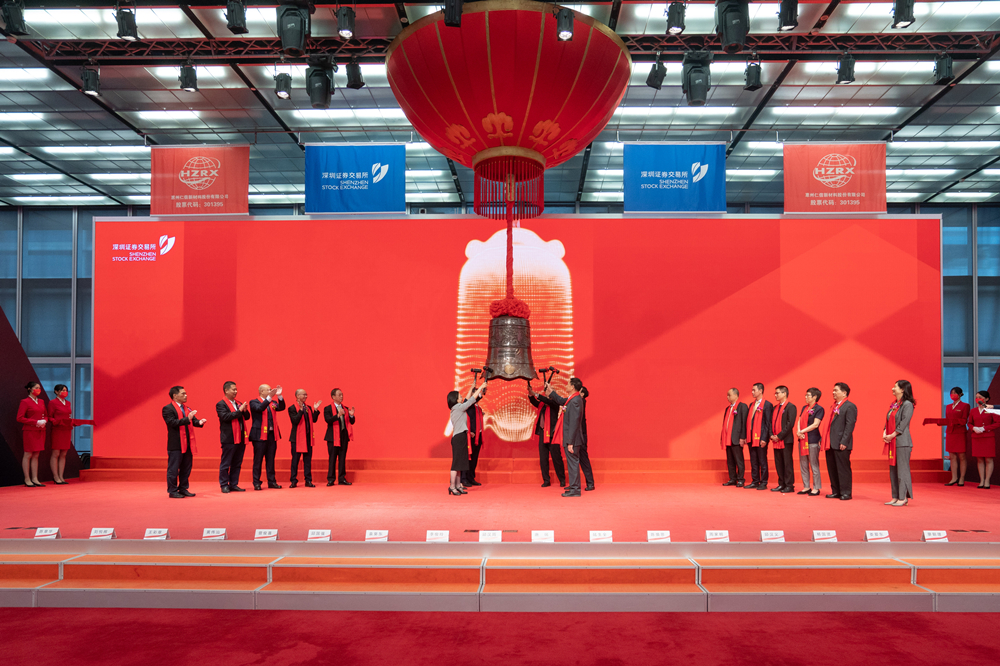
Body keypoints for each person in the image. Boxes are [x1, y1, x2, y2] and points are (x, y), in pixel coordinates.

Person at [549, 378, 592, 497]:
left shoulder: (575, 401)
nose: (566, 386)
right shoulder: (573, 399)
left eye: (568, 384)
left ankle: (575, 489)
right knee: (572, 463)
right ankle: (574, 486)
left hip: (572, 439)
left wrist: (570, 442)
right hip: (571, 438)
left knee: (573, 463)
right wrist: (551, 391)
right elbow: (561, 401)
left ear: (573, 386)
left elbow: (574, 423)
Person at [161, 385, 205, 498]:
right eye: (183, 394)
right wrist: (187, 418)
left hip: (188, 443)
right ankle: (172, 491)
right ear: (175, 395)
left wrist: (199, 422)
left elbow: (193, 421)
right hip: (176, 444)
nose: (186, 395)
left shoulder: (187, 408)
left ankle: (183, 488)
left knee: (186, 467)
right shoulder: (168, 409)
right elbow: (172, 423)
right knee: (173, 469)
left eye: (185, 393)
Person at [447, 383, 487, 495]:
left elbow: (466, 400)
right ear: (455, 400)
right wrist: (480, 387)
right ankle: (452, 486)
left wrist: (471, 388)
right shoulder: (458, 408)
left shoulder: (458, 407)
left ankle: (458, 485)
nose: (462, 398)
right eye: (459, 396)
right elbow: (470, 400)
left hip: (462, 437)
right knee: (456, 464)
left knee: (460, 464)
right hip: (459, 438)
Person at [883, 379, 916, 507]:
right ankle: (895, 496)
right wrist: (884, 433)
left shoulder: (907, 404)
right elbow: (887, 421)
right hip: (892, 441)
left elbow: (903, 423)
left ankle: (903, 497)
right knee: (893, 470)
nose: (893, 388)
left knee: (902, 470)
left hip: (902, 442)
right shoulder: (894, 404)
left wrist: (892, 435)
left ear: (902, 389)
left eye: (895, 387)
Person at [248, 384, 285, 491]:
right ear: (261, 391)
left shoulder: (272, 402)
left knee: (271, 459)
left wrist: (279, 396)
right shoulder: (254, 402)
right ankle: (256, 482)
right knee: (258, 460)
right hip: (259, 435)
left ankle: (272, 481)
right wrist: (269, 398)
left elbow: (281, 407)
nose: (270, 391)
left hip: (271, 435)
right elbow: (260, 408)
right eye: (268, 390)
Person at [216, 381, 250, 493]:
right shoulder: (221, 404)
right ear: (226, 390)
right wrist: (239, 411)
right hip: (229, 438)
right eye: (233, 389)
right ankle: (224, 484)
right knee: (226, 463)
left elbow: (247, 417)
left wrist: (244, 410)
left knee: (237, 463)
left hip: (240, 437)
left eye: (236, 389)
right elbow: (225, 417)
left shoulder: (238, 403)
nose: (236, 391)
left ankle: (234, 484)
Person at [825, 382, 857, 500]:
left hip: (841, 443)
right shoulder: (833, 406)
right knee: (832, 468)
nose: (833, 392)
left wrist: (844, 441)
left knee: (843, 469)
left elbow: (850, 425)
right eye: (833, 390)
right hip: (830, 442)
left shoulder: (850, 406)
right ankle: (836, 491)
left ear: (844, 393)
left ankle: (846, 492)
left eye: (836, 390)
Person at [530, 381, 566, 487]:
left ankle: (562, 479)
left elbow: (546, 400)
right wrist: (530, 394)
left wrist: (536, 394)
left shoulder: (554, 403)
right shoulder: (542, 405)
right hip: (543, 433)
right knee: (543, 458)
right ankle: (546, 480)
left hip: (552, 434)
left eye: (549, 392)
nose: (547, 393)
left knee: (556, 457)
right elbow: (534, 402)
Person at [288, 389, 322, 488]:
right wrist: (300, 410)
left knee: (307, 460)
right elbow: (295, 421)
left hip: (307, 438)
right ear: (297, 396)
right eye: (304, 394)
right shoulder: (292, 408)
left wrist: (315, 410)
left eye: (306, 395)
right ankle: (293, 480)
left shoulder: (308, 407)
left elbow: (314, 420)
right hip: (296, 438)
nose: (306, 396)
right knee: (295, 460)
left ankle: (308, 480)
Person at [795, 387, 825, 496]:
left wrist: (802, 431)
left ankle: (816, 488)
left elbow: (815, 424)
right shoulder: (804, 408)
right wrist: (798, 431)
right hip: (802, 439)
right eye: (805, 395)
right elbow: (799, 420)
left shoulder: (819, 409)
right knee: (803, 464)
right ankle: (806, 486)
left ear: (814, 397)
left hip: (812, 440)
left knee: (814, 464)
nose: (805, 397)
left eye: (808, 395)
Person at [17, 381, 47, 487]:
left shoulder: (41, 401)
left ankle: (35, 478)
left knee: (36, 455)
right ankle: (27, 478)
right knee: (28, 454)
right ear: (30, 389)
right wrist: (36, 422)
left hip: (40, 430)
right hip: (29, 431)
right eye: (36, 388)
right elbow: (20, 417)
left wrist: (44, 421)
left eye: (39, 388)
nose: (38, 390)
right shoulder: (25, 402)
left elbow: (45, 415)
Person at [47, 384, 78, 485]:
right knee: (56, 453)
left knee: (64, 453)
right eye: (62, 390)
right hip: (57, 429)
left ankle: (61, 476)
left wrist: (71, 422)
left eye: (66, 390)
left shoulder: (68, 403)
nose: (65, 392)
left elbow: (68, 415)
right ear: (56, 392)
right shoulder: (52, 403)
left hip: (66, 429)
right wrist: (56, 421)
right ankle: (55, 476)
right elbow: (49, 417)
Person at [324, 388, 355, 486]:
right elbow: (328, 420)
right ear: (333, 397)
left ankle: (342, 478)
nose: (341, 396)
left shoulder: (345, 408)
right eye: (339, 395)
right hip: (332, 437)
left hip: (343, 437)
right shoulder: (328, 408)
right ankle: (331, 479)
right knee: (332, 458)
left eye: (342, 395)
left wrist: (351, 416)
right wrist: (338, 415)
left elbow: (352, 422)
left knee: (342, 458)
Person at [769, 386, 797, 493]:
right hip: (776, 440)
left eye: (777, 393)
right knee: (779, 463)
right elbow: (771, 422)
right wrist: (771, 435)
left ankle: (789, 485)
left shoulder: (791, 407)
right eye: (775, 393)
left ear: (784, 393)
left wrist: (779, 436)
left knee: (787, 463)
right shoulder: (775, 408)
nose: (775, 395)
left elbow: (790, 424)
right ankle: (781, 484)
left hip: (786, 440)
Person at [745, 383, 773, 490]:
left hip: (761, 437)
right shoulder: (751, 405)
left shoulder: (767, 405)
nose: (752, 392)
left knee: (762, 460)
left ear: (761, 391)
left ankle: (763, 482)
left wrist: (765, 438)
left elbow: (768, 423)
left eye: (754, 390)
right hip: (751, 436)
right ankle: (755, 481)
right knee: (753, 461)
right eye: (752, 390)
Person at [969, 390, 999, 489]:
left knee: (988, 459)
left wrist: (985, 428)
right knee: (979, 459)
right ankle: (981, 480)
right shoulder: (973, 410)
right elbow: (969, 423)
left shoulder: (991, 410)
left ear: (986, 399)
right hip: (977, 437)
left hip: (988, 436)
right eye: (977, 397)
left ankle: (987, 480)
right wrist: (973, 428)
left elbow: (998, 423)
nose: (978, 399)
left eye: (980, 397)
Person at [720, 388, 748, 487]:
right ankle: (732, 478)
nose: (727, 397)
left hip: (737, 438)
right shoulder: (727, 408)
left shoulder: (742, 406)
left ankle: (741, 479)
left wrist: (743, 437)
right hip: (728, 438)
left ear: (736, 395)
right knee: (730, 460)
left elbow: (744, 423)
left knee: (738, 460)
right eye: (727, 395)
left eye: (729, 395)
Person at [944, 387, 970, 486]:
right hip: (950, 432)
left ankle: (962, 478)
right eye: (951, 393)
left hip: (960, 432)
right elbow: (947, 419)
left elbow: (964, 420)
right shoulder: (948, 406)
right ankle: (954, 477)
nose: (952, 395)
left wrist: (954, 421)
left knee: (962, 456)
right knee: (952, 456)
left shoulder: (965, 405)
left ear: (959, 394)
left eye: (954, 393)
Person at [461, 386, 486, 487]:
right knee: (468, 458)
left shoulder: (478, 407)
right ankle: (464, 478)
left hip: (478, 436)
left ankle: (471, 478)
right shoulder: (469, 405)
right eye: (476, 393)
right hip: (470, 436)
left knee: (474, 459)